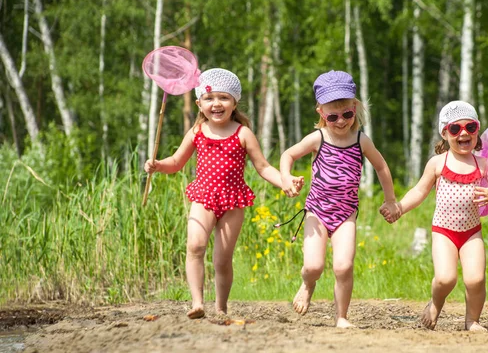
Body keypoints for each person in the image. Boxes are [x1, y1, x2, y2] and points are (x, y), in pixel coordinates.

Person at [144, 68, 303, 319]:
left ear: (234, 102)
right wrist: (157, 165)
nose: (216, 104)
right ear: (199, 103)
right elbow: (176, 162)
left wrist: (285, 181)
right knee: (195, 245)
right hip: (204, 198)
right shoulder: (197, 131)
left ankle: (221, 307)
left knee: (221, 259)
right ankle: (197, 302)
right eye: (209, 98)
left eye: (223, 98)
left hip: (232, 201)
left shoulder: (243, 133)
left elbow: (263, 167)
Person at [279, 70, 401, 328]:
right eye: (332, 116)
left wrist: (390, 200)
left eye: (347, 114)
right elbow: (288, 155)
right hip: (317, 212)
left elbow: (381, 167)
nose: (341, 121)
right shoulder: (319, 138)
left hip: (346, 214)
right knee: (314, 266)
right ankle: (307, 284)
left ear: (355, 108)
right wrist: (286, 178)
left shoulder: (361, 140)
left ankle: (341, 317)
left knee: (343, 267)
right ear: (321, 113)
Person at [381, 100, 488, 332]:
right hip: (444, 231)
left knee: (476, 280)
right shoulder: (437, 163)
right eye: (455, 129)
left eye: (470, 128)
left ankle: (472, 320)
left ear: (477, 130)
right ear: (445, 133)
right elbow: (420, 191)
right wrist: (399, 208)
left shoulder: (482, 164)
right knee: (445, 279)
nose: (463, 133)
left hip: (472, 232)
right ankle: (435, 305)